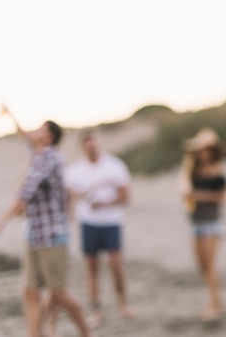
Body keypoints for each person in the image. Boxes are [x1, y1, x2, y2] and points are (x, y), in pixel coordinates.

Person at [0, 106, 93, 337]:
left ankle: (87, 333)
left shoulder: (49, 158)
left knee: (58, 291)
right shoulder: (37, 152)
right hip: (34, 233)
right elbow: (23, 135)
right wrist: (11, 115)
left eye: (40, 128)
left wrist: (1, 222)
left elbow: (25, 194)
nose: (33, 131)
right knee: (30, 291)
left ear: (48, 136)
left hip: (52, 234)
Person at [64, 128, 135, 327]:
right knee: (92, 269)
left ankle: (123, 304)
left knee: (115, 265)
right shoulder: (74, 171)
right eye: (87, 145)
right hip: (88, 224)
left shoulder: (114, 166)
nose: (91, 148)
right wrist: (70, 213)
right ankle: (96, 311)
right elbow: (68, 196)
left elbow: (126, 196)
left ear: (98, 144)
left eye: (93, 143)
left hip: (111, 223)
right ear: (82, 147)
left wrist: (104, 204)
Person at [179, 127, 226, 321]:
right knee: (202, 265)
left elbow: (222, 198)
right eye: (200, 150)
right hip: (196, 222)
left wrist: (199, 196)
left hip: (212, 223)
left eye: (206, 149)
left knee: (209, 264)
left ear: (212, 151)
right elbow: (184, 190)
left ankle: (214, 304)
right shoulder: (192, 170)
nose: (203, 153)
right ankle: (216, 300)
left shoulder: (218, 172)